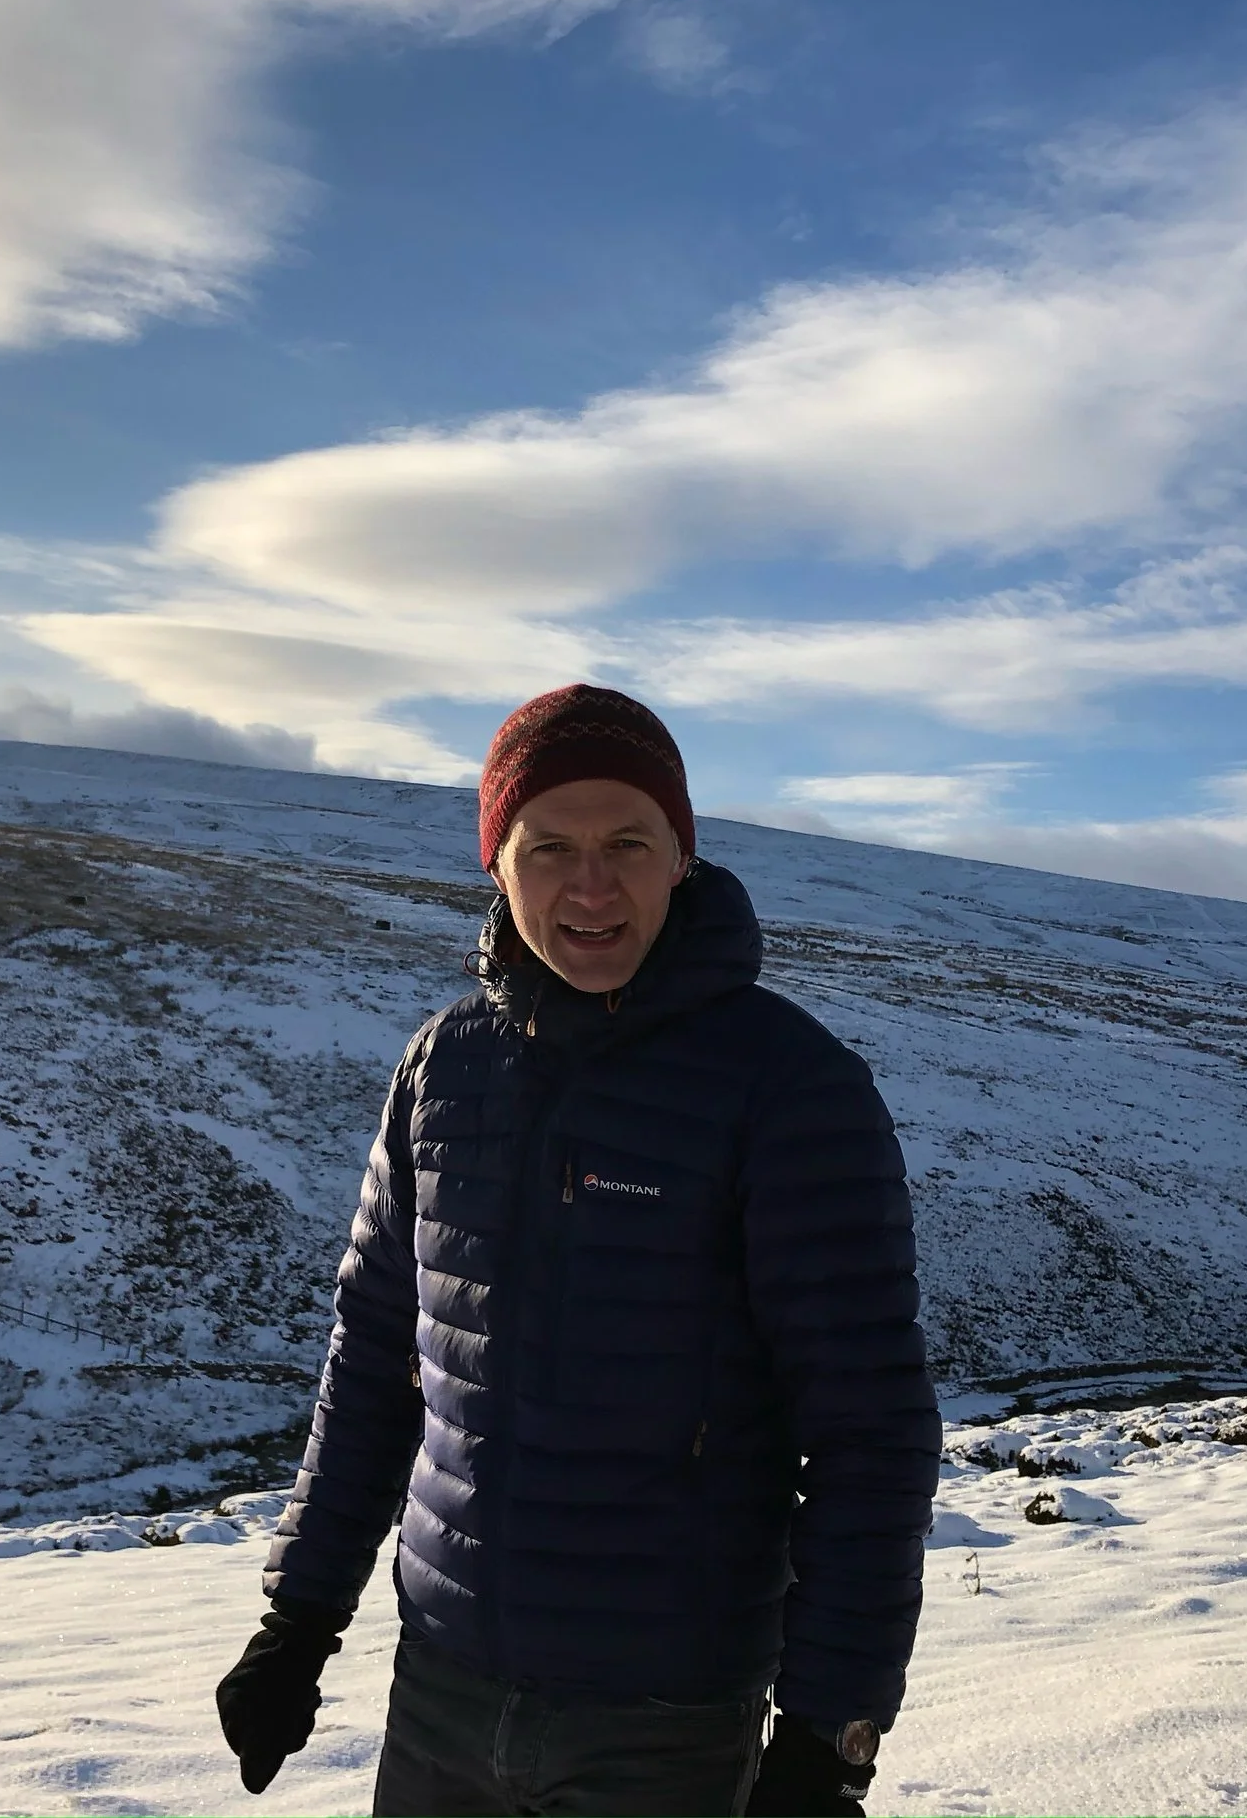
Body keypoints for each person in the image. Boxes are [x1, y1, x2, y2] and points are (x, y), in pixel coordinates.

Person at [216, 684, 941, 1816]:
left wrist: (824, 1740)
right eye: (549, 845)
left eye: (627, 844)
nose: (591, 886)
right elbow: (375, 1365)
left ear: (680, 860)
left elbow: (870, 1432)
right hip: (443, 1696)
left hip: (667, 1725)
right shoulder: (441, 1070)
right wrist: (297, 1621)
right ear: (497, 864)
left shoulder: (790, 1090)